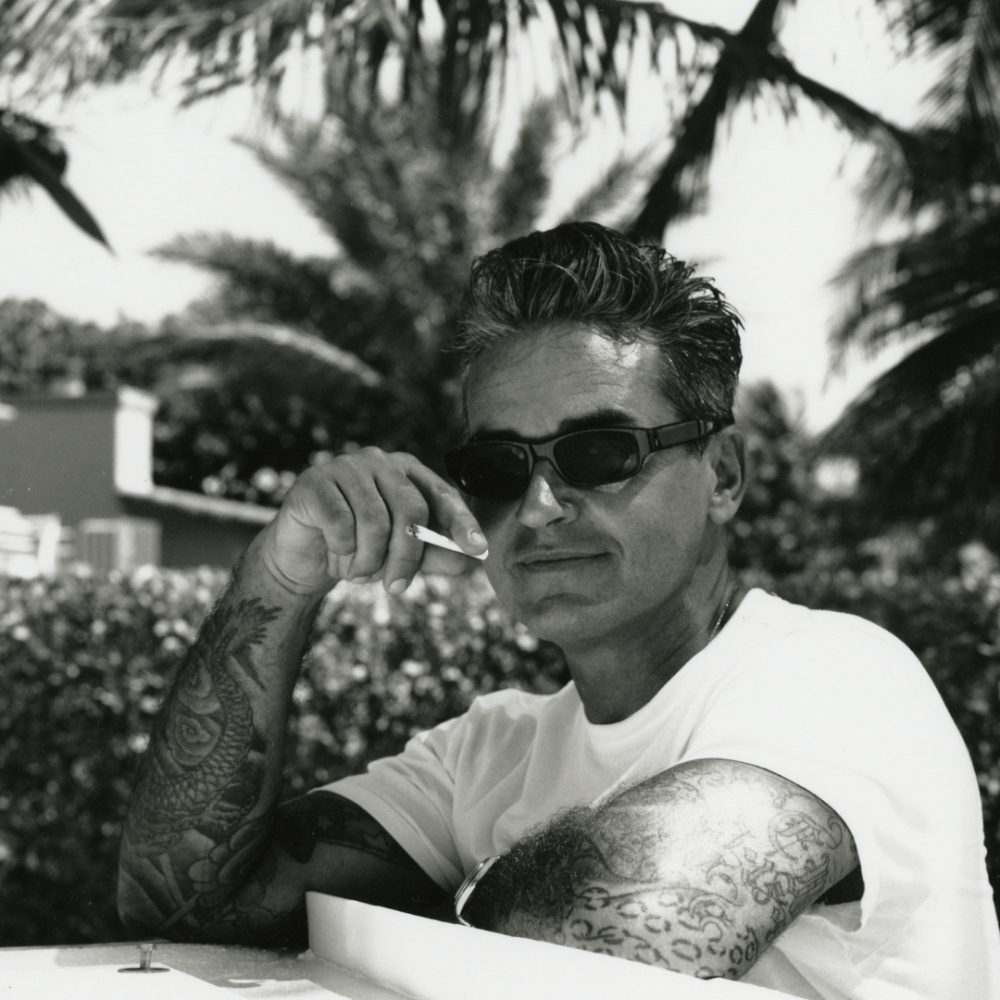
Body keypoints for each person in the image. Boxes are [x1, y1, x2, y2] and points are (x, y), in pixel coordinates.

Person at [118, 221, 1000, 997]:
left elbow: (607, 953)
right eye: (499, 468)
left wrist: (437, 903)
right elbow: (185, 905)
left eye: (601, 452)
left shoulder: (838, 680)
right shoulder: (487, 754)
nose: (539, 507)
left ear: (724, 476)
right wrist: (279, 575)